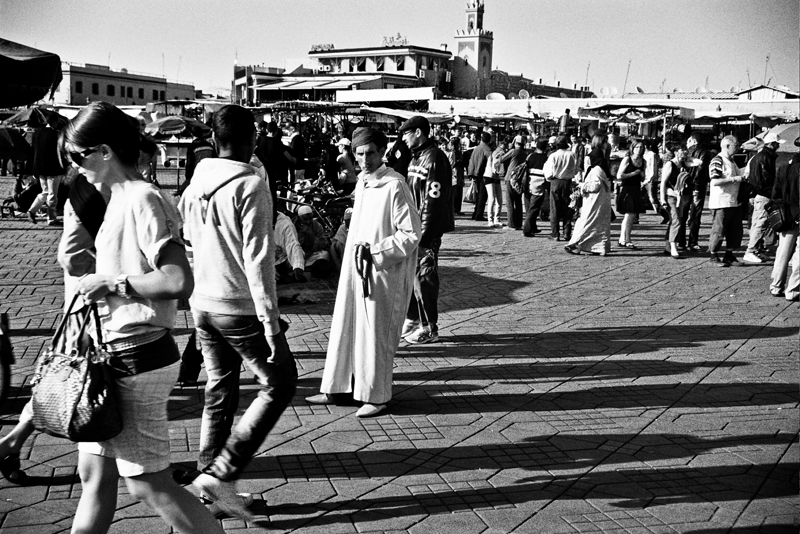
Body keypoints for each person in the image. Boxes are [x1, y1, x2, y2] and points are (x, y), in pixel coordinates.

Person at [61, 101, 224, 534]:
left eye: (79, 157)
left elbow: (175, 279)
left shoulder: (143, 198)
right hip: (114, 357)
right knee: (94, 476)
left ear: (105, 151)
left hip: (138, 358)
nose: (76, 168)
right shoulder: (119, 198)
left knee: (148, 483)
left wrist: (111, 282)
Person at [178, 104, 297, 520]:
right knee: (280, 382)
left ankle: (209, 487)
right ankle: (219, 475)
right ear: (252, 141)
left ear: (215, 140)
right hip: (237, 307)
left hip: (203, 304)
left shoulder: (194, 185)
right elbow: (260, 261)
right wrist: (273, 329)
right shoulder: (251, 186)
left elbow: (189, 242)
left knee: (219, 391)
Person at [0, 171, 109, 486]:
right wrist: (113, 271)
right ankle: (102, 471)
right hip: (89, 307)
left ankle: (13, 442)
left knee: (70, 382)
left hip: (89, 305)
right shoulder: (90, 190)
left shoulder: (94, 187)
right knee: (77, 384)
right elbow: (72, 257)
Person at [305, 127, 421, 417]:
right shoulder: (364, 184)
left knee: (375, 334)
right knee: (346, 327)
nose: (365, 159)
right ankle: (337, 388)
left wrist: (378, 252)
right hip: (355, 269)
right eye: (359, 154)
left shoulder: (395, 185)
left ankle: (376, 395)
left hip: (381, 273)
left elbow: (411, 233)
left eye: (370, 153)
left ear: (382, 152)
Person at [399, 115, 453, 344]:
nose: (402, 138)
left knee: (425, 278)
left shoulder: (434, 159)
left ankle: (429, 327)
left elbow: (433, 202)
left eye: (406, 133)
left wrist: (425, 235)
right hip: (414, 229)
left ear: (419, 132)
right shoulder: (416, 158)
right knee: (413, 276)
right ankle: (413, 319)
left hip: (425, 232)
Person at [564, 147, 613, 256]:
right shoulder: (602, 169)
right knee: (597, 226)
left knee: (585, 223)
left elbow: (595, 186)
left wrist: (582, 186)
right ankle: (597, 247)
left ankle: (575, 243)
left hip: (593, 203)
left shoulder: (596, 170)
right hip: (600, 203)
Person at [743, 132, 784, 264]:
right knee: (760, 224)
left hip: (761, 194)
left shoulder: (760, 156)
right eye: (776, 144)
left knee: (760, 223)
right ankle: (750, 250)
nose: (778, 146)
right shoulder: (765, 157)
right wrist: (772, 193)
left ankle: (755, 250)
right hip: (764, 194)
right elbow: (765, 179)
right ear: (771, 144)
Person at [708, 135, 747, 267]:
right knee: (719, 229)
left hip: (734, 201)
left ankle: (729, 255)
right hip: (721, 202)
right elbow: (715, 181)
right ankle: (713, 254)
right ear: (727, 146)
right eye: (736, 145)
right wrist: (734, 179)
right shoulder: (717, 160)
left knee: (735, 230)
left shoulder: (732, 161)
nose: (738, 148)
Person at [769, 141, 799, 300]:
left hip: (785, 216)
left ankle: (776, 285)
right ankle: (793, 290)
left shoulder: (783, 169)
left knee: (782, 252)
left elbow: (775, 196)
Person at [27, 119, 66, 226]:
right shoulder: (58, 135)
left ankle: (32, 210)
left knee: (45, 192)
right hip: (54, 168)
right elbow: (62, 153)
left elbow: (33, 152)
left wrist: (33, 169)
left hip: (40, 168)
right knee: (52, 195)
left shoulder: (37, 134)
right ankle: (52, 219)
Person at [660, 145, 695, 258]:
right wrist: (662, 199)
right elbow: (663, 183)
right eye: (681, 151)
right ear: (675, 152)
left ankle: (668, 246)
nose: (683, 153)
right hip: (670, 196)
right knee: (676, 221)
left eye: (685, 152)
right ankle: (674, 248)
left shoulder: (683, 164)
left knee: (675, 221)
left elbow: (699, 163)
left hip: (680, 197)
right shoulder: (670, 164)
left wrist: (687, 158)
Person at [544, 135, 578, 240]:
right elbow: (576, 170)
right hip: (568, 182)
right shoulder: (572, 155)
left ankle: (555, 233)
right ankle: (567, 233)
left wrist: (551, 179)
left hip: (555, 182)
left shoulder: (553, 156)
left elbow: (548, 173)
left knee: (554, 208)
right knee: (568, 207)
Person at [616, 139, 647, 249]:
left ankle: (623, 239)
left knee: (632, 216)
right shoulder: (627, 159)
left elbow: (643, 177)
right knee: (629, 215)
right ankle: (626, 239)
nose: (639, 150)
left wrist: (643, 176)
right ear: (632, 148)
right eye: (637, 147)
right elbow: (619, 176)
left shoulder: (643, 161)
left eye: (641, 147)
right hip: (627, 189)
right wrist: (634, 173)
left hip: (636, 189)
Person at [685, 132, 712, 252]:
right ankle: (692, 241)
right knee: (695, 214)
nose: (687, 142)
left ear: (694, 141)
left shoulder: (686, 152)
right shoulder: (706, 153)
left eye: (689, 140)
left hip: (685, 185)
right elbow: (701, 171)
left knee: (683, 212)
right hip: (698, 185)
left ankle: (680, 240)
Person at [294, 205, 332, 278]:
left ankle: (301, 267)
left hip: (310, 255)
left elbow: (323, 244)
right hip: (296, 256)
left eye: (310, 219)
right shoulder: (293, 226)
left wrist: (311, 235)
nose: (308, 222)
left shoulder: (317, 226)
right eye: (305, 219)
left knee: (324, 255)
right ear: (299, 218)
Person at [522, 138, 549, 236]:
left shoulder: (530, 156)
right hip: (538, 186)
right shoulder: (546, 159)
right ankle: (527, 230)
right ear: (545, 148)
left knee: (529, 207)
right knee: (534, 209)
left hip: (527, 185)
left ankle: (533, 227)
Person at [501, 135, 527, 230]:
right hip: (519, 179)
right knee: (518, 201)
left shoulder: (513, 151)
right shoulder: (525, 153)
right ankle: (518, 223)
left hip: (510, 178)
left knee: (510, 202)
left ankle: (511, 224)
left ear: (515, 142)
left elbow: (501, 159)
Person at [274, 211, 307, 284]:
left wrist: (298, 265)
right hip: (260, 261)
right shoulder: (254, 220)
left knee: (300, 255)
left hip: (281, 259)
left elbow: (293, 244)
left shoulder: (285, 223)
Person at [468, 131, 492, 222]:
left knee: (478, 194)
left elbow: (471, 160)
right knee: (482, 195)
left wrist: (470, 173)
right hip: (482, 174)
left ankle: (475, 213)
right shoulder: (487, 149)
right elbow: (491, 160)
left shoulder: (477, 148)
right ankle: (478, 214)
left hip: (475, 173)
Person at [644, 139, 666, 223]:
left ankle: (665, 214)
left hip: (651, 180)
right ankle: (635, 217)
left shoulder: (651, 155)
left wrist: (649, 179)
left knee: (653, 199)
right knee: (638, 198)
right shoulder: (643, 155)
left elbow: (653, 168)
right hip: (645, 179)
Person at [445, 137, 465, 215]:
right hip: (456, 173)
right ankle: (454, 209)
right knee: (455, 191)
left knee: (458, 191)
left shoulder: (458, 152)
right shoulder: (452, 152)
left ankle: (457, 209)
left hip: (459, 173)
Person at [329, 207, 352, 272]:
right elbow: (333, 245)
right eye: (346, 221)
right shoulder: (343, 227)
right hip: (344, 249)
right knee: (338, 244)